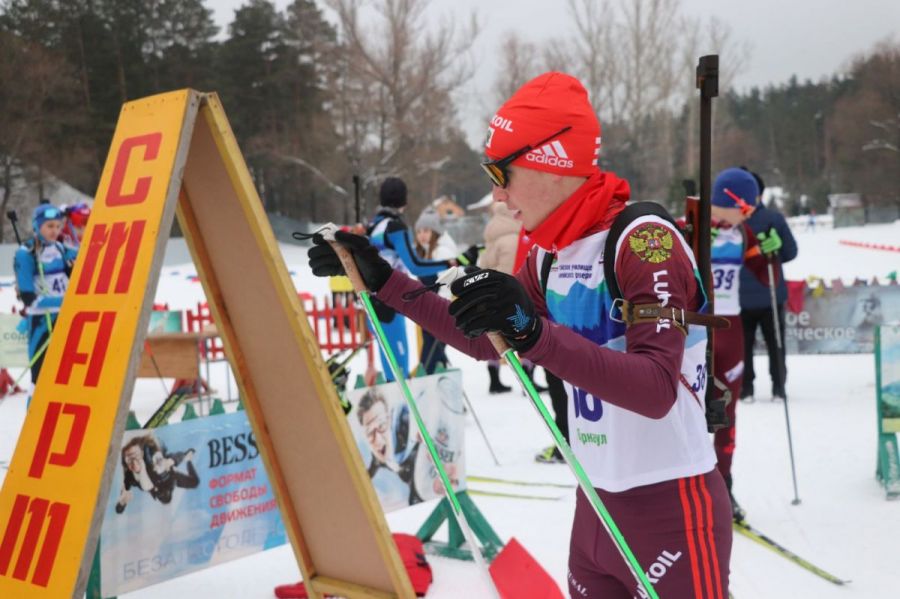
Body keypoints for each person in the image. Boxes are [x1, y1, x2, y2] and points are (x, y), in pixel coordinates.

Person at [309, 72, 731, 598]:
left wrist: (533, 333)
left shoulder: (644, 242)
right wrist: (385, 282)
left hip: (669, 508)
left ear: (551, 161)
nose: (496, 192)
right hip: (595, 504)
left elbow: (655, 388)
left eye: (500, 172)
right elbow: (486, 342)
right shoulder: (551, 252)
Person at [366, 178, 478, 381]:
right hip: (389, 302)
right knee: (398, 370)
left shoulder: (374, 226)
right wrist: (452, 262)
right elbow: (415, 265)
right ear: (404, 201)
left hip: (372, 300)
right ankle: (402, 402)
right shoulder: (394, 226)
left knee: (391, 365)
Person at [707, 167, 769, 521]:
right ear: (728, 201)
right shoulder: (690, 227)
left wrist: (770, 255)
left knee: (727, 414)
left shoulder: (744, 233)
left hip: (731, 329)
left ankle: (724, 486)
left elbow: (765, 274)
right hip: (696, 329)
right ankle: (685, 486)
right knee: (687, 411)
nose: (748, 215)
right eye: (745, 208)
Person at [738, 170, 798, 401]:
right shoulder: (732, 221)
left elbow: (790, 251)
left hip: (766, 294)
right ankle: (760, 388)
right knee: (759, 345)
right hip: (746, 296)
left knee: (768, 344)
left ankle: (766, 387)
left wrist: (776, 248)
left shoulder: (772, 220)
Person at [14, 203, 78, 390]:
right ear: (37, 226)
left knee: (66, 376)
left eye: (58, 226)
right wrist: (65, 302)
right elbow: (29, 299)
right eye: (49, 226)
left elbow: (86, 255)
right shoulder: (26, 253)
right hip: (42, 321)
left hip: (66, 317)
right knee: (40, 379)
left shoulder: (60, 248)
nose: (55, 230)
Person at [357, 388, 422, 506]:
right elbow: (368, 474)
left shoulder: (406, 430)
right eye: (370, 433)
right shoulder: (377, 458)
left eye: (382, 425)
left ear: (390, 420)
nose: (377, 440)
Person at [413, 207, 458, 374]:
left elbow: (448, 282)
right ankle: (437, 374)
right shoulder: (424, 253)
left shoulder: (442, 252)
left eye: (426, 231)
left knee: (433, 348)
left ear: (435, 232)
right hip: (428, 310)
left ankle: (428, 375)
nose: (422, 235)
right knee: (432, 345)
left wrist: (440, 306)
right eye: (419, 231)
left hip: (440, 309)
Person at [115, 435, 198, 513]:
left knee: (144, 482)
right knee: (162, 464)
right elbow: (194, 482)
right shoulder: (170, 480)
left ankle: (156, 460)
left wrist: (123, 498)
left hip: (148, 469)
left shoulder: (148, 485)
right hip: (157, 460)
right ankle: (160, 459)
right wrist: (182, 458)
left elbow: (131, 480)